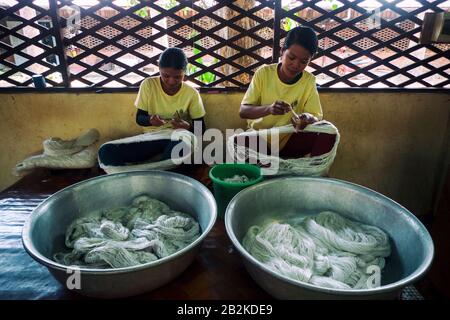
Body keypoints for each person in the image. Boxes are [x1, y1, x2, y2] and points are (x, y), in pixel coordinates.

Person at [239, 26, 335, 158]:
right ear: (282, 52)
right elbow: (243, 111)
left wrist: (306, 118)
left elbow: (316, 117)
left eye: (303, 61)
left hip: (290, 140)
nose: (296, 65)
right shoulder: (264, 73)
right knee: (241, 140)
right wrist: (269, 109)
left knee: (328, 132)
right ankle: (277, 166)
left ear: (310, 60)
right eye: (291, 57)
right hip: (261, 138)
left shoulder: (308, 81)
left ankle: (311, 174)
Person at [99, 47, 206, 166]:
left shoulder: (191, 93)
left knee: (178, 148)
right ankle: (160, 170)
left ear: (184, 73)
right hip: (152, 138)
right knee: (106, 152)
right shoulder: (148, 85)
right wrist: (150, 120)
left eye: (177, 77)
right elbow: (139, 118)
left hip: (178, 138)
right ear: (159, 68)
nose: (171, 81)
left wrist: (187, 127)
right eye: (166, 75)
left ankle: (154, 172)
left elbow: (200, 129)